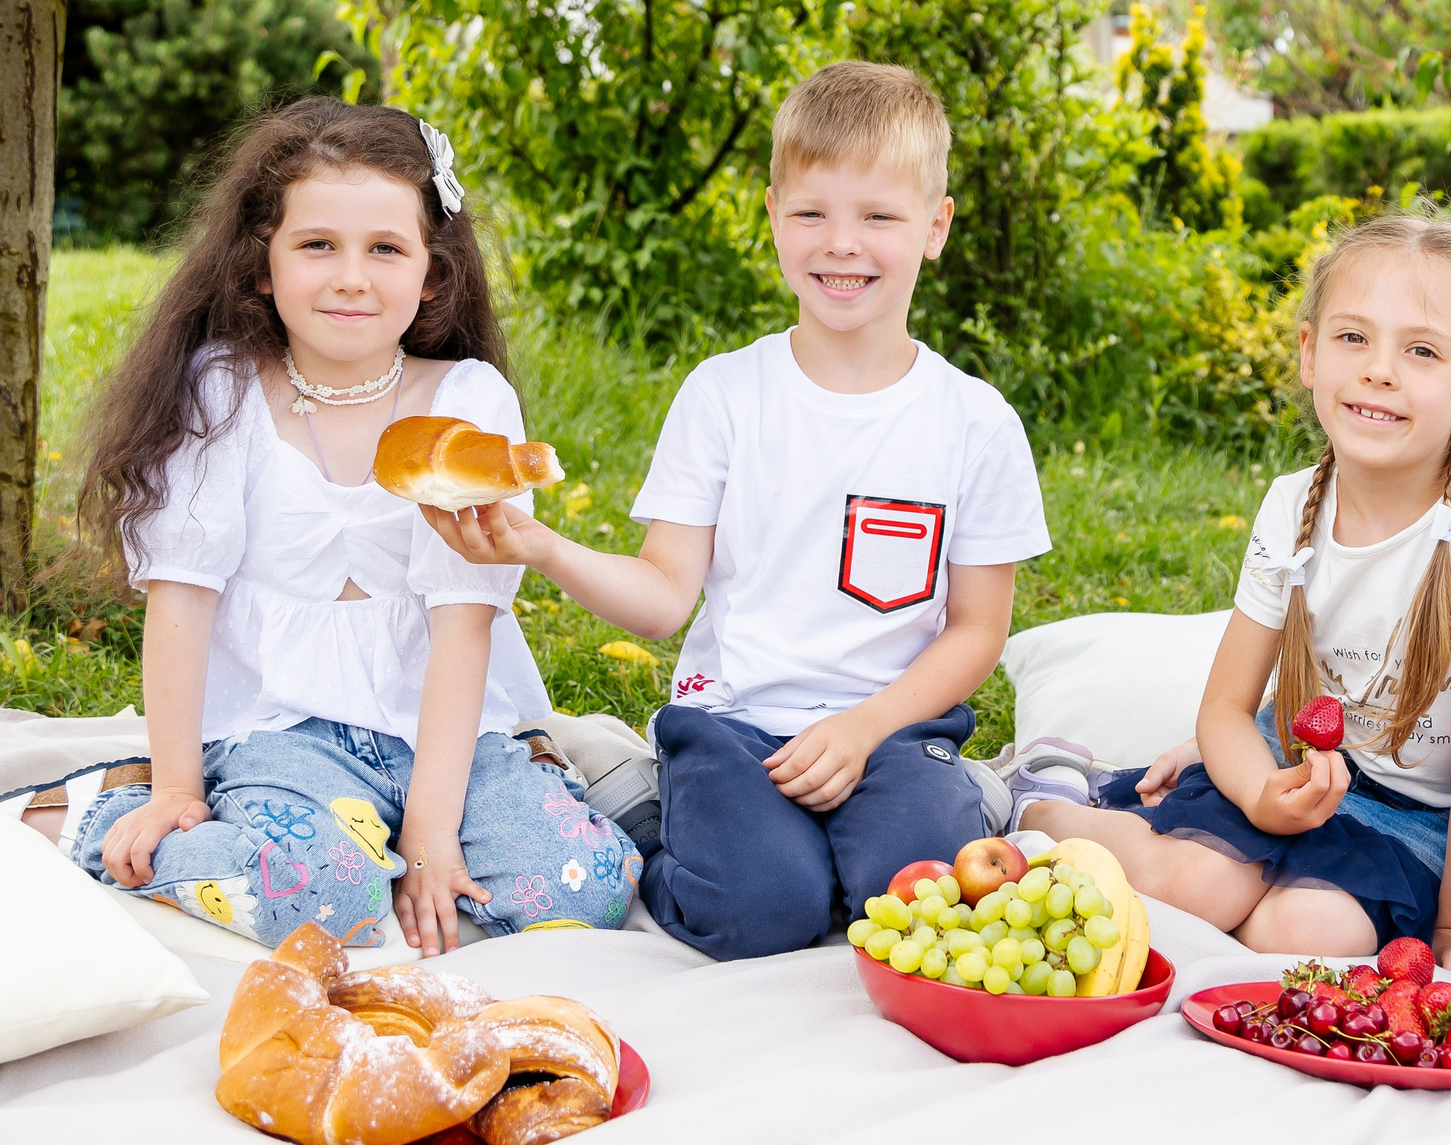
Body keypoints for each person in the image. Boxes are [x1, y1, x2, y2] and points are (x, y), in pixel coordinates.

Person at [421, 62, 1051, 960]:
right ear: (773, 218)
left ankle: (956, 797)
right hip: (735, 721)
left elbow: (978, 628)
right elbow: (665, 594)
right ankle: (658, 807)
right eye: (812, 215)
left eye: (878, 216)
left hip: (894, 726)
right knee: (761, 912)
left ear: (936, 227)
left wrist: (866, 727)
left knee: (914, 894)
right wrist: (540, 544)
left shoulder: (974, 422)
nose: (843, 244)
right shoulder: (724, 395)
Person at [54, 99, 638, 955]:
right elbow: (181, 600)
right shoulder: (221, 392)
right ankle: (102, 819)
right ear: (262, 264)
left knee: (585, 887)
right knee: (327, 900)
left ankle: (410, 836)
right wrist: (179, 783)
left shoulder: (467, 402)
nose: (351, 276)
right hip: (282, 729)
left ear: (432, 276)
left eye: (386, 249)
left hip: (451, 735)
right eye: (317, 244)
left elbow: (463, 624)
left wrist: (432, 832)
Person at [1016, 216, 1451, 970]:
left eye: (1420, 351)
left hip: (1428, 816)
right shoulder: (1295, 504)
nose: (1380, 370)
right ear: (1310, 354)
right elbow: (1223, 707)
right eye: (1354, 338)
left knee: (1313, 939)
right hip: (1306, 766)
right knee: (1199, 886)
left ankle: (1258, 874)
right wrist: (1257, 796)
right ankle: (1052, 801)